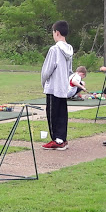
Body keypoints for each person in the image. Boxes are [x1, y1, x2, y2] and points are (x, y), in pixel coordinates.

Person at [41, 20, 74, 150]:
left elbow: (47, 70)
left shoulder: (54, 49)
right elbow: (69, 70)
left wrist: (44, 82)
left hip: (54, 87)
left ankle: (57, 139)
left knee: (52, 113)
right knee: (62, 113)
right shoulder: (70, 49)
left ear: (57, 33)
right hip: (63, 86)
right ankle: (62, 138)